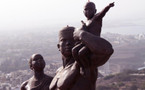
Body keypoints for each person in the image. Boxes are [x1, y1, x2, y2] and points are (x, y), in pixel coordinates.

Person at [49, 25, 114, 90]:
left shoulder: (85, 65)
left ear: (78, 43)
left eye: (72, 40)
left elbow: (107, 50)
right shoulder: (59, 71)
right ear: (58, 46)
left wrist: (81, 34)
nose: (68, 43)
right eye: (63, 40)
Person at [72, 2, 115, 75]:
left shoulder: (96, 18)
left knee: (81, 53)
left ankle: (86, 67)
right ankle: (81, 66)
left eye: (90, 9)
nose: (88, 11)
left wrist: (108, 6)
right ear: (83, 12)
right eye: (86, 9)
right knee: (74, 50)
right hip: (86, 43)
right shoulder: (86, 22)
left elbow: (103, 12)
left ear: (95, 11)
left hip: (94, 43)